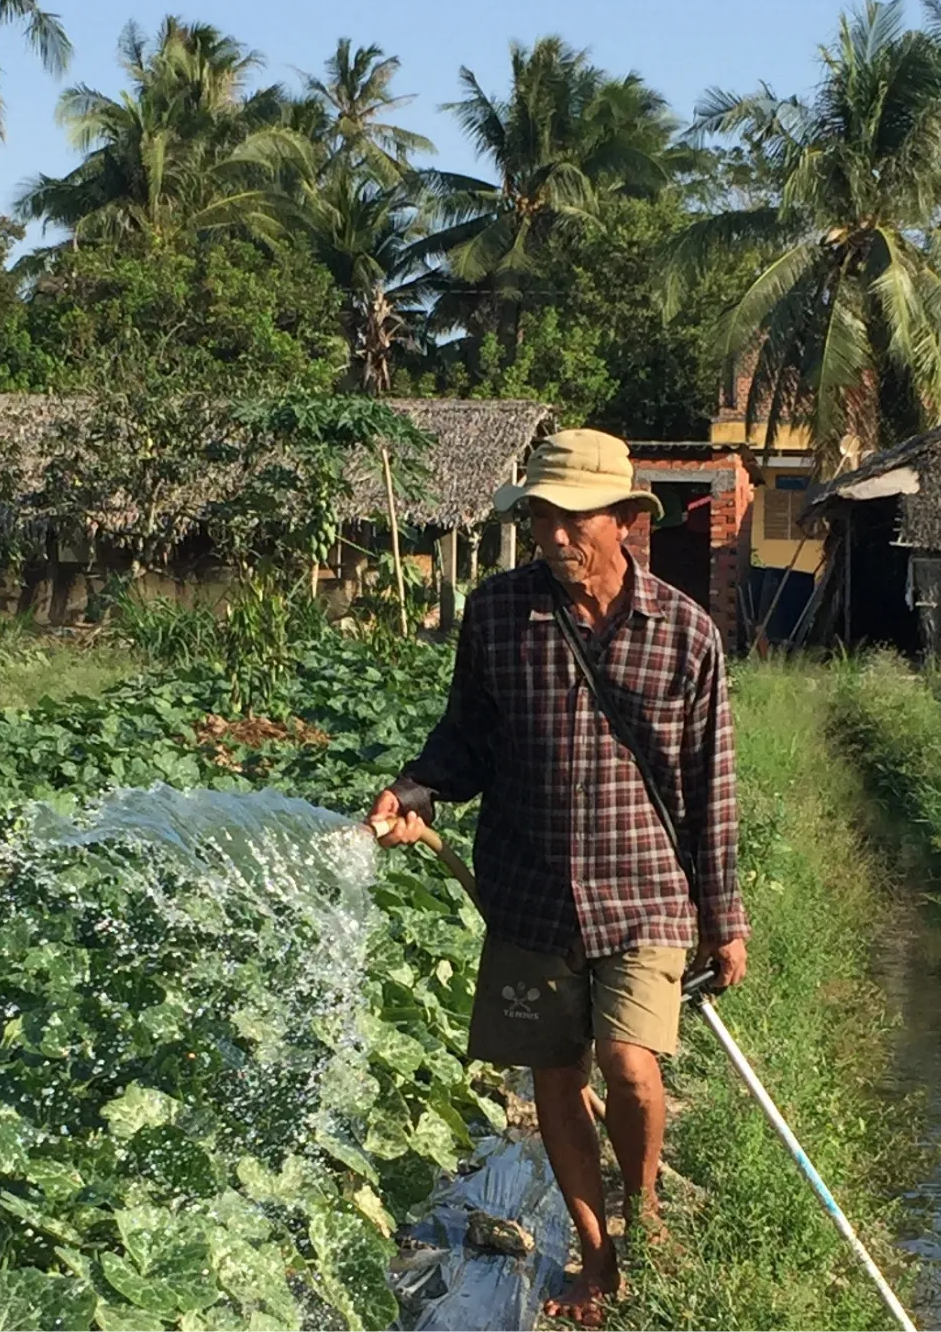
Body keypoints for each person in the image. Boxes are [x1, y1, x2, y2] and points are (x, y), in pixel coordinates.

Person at [368, 427, 747, 1327]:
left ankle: (643, 1202)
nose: (555, 536)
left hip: (645, 889)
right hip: (530, 890)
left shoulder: (685, 634)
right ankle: (597, 1253)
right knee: (551, 1073)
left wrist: (722, 916)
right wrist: (416, 788)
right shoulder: (498, 614)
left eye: (573, 518)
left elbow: (711, 784)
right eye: (541, 517)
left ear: (625, 521)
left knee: (629, 1066)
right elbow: (464, 738)